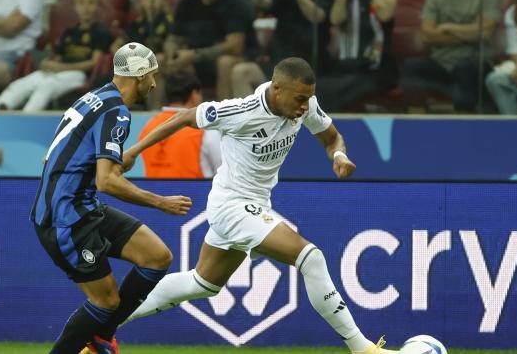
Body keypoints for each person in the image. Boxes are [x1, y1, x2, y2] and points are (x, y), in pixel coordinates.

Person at [120, 57, 397, 354]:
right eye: (300, 99)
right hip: (232, 205)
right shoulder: (240, 111)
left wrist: (338, 157)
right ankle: (364, 349)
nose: (305, 107)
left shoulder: (306, 106)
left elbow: (332, 138)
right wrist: (134, 151)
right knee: (311, 258)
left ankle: (105, 322)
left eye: (309, 99)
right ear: (277, 89)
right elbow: (183, 118)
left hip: (256, 205)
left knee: (201, 283)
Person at [31, 42, 192, 354]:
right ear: (139, 76)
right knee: (106, 301)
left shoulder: (93, 98)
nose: (155, 83)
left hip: (82, 206)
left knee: (157, 257)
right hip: (65, 218)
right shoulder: (117, 112)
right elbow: (107, 182)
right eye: (152, 76)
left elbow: (52, 157)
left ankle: (101, 336)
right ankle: (97, 336)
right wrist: (161, 202)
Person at [0, 0, 112, 112]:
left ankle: (26, 117)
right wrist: (47, 63)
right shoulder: (69, 32)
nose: (86, 8)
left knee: (46, 86)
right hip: (56, 71)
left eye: (91, 3)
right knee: (21, 84)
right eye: (81, 3)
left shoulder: (100, 32)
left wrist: (61, 68)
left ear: (97, 6)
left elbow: (94, 63)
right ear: (75, 7)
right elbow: (58, 56)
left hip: (79, 75)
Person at [399, 0, 500, 113]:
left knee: (464, 69)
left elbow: (485, 32)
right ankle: (416, 117)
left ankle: (464, 118)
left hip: (476, 63)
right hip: (441, 62)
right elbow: (426, 35)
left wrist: (448, 27)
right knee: (412, 66)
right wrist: (469, 34)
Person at [164, 0, 258, 100]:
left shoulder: (234, 4)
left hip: (238, 58)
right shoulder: (187, 4)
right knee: (161, 61)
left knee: (225, 62)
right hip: (196, 60)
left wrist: (194, 56)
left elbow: (235, 46)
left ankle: (224, 112)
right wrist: (171, 55)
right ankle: (158, 113)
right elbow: (173, 39)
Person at [316, 0, 399, 112]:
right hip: (348, 66)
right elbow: (335, 19)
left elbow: (384, 15)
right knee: (323, 85)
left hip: (376, 68)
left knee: (340, 87)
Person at [140, 70, 221, 178]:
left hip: (153, 193)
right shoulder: (205, 130)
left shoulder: (148, 128)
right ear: (194, 95)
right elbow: (222, 172)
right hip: (195, 194)